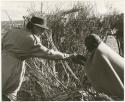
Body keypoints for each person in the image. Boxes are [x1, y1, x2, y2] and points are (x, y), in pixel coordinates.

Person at [2, 16, 76, 101]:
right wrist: (68, 56)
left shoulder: (12, 31)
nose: (42, 33)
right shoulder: (32, 39)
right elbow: (49, 54)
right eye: (41, 29)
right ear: (35, 27)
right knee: (9, 94)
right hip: (13, 67)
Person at [84, 34, 124, 100]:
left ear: (92, 44)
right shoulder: (103, 47)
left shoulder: (99, 52)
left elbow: (91, 70)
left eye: (87, 45)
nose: (87, 49)